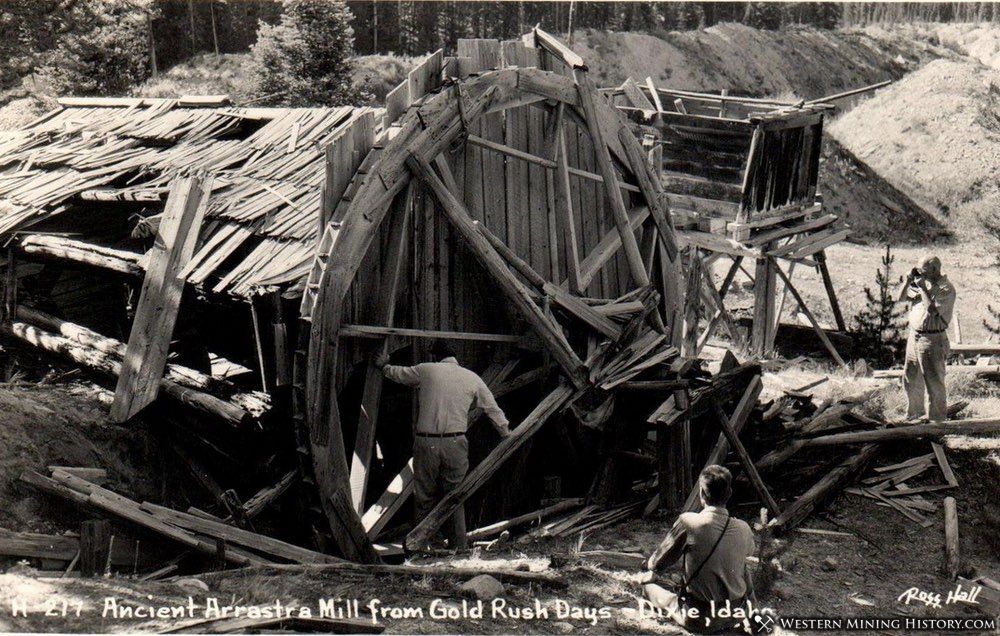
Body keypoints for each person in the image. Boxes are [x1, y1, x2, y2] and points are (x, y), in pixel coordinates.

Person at [375, 341, 509, 551]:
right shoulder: (471, 377)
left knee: (424, 497)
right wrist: (505, 432)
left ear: (435, 357)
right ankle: (459, 548)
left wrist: (384, 366)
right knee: (454, 497)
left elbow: (399, 374)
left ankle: (424, 546)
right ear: (455, 358)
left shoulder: (426, 370)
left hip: (426, 442)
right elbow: (492, 408)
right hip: (455, 443)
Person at [642, 465, 756, 634]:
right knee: (742, 565)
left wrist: (652, 570)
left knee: (648, 588)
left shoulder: (689, 522)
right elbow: (748, 553)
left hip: (699, 619)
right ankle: (752, 613)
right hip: (735, 614)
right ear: (729, 493)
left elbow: (661, 558)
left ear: (701, 494)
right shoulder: (744, 528)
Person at [902, 255, 956, 422]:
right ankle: (914, 417)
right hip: (915, 336)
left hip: (932, 339)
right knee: (910, 377)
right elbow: (901, 298)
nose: (920, 273)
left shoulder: (946, 288)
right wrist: (907, 282)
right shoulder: (922, 283)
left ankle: (936, 422)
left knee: (934, 383)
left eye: (923, 270)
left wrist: (923, 289)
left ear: (934, 269)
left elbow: (932, 311)